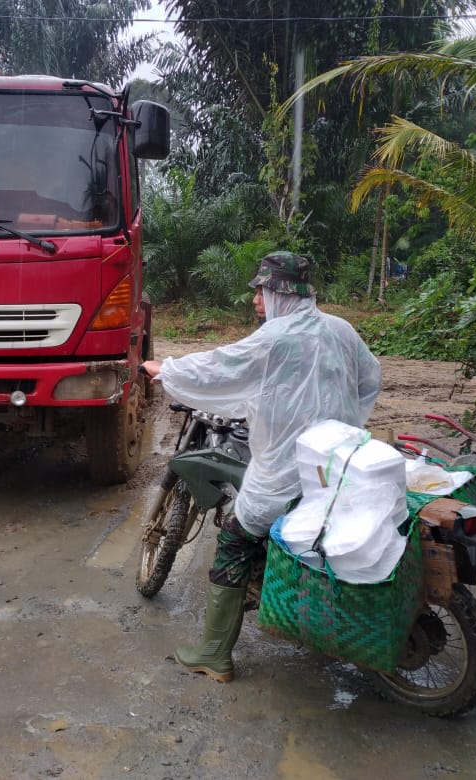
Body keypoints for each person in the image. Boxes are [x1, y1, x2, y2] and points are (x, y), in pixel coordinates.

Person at [141, 251, 382, 682]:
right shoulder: (341, 330)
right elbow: (370, 378)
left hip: (284, 476)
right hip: (335, 469)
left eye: (261, 289)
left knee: (235, 540)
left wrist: (167, 369)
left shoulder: (276, 338)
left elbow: (222, 367)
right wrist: (342, 424)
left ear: (279, 292)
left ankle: (213, 654)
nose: (255, 298)